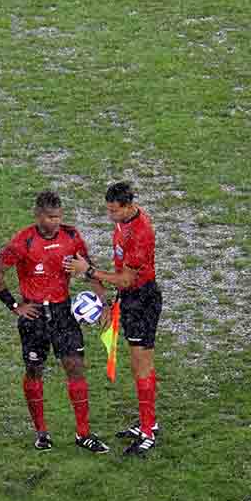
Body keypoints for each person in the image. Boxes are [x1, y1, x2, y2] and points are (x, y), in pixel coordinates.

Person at [0, 190, 111, 454]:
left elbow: (88, 270)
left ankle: (83, 433)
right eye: (50, 217)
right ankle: (41, 433)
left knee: (75, 367)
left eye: (59, 216)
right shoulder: (23, 241)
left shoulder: (72, 236)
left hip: (63, 312)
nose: (56, 221)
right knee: (34, 370)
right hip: (34, 317)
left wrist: (104, 304)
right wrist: (15, 306)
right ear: (38, 216)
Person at [64, 181, 162, 457]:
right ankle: (148, 422)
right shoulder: (124, 222)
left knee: (142, 366)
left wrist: (88, 272)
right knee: (138, 365)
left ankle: (147, 432)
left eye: (114, 211)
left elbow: (127, 278)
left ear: (129, 206)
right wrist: (114, 301)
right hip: (131, 298)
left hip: (142, 300)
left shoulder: (140, 234)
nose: (111, 216)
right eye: (108, 210)